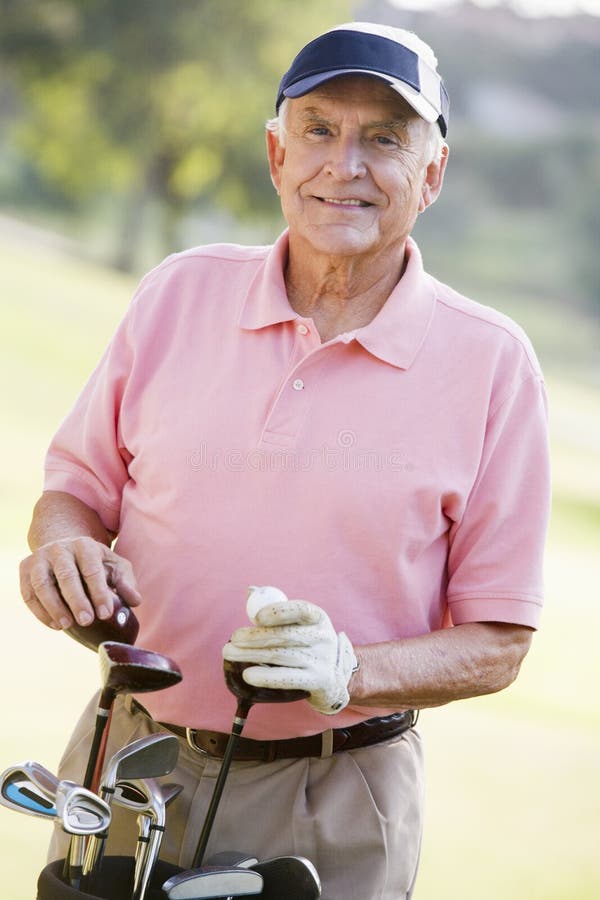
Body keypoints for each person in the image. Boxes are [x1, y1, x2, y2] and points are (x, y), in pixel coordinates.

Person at [19, 21, 550, 900]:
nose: (344, 165)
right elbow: (74, 493)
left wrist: (350, 672)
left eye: (384, 138)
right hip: (128, 762)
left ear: (433, 174)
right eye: (318, 130)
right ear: (276, 155)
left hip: (336, 799)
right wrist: (63, 547)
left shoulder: (494, 364)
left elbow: (497, 642)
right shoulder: (177, 293)